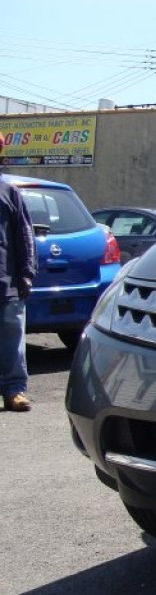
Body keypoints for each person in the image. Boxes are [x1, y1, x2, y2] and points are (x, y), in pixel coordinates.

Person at [0, 141, 37, 412]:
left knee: (12, 339)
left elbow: (25, 234)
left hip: (7, 281)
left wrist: (27, 272)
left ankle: (14, 391)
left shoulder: (9, 192)